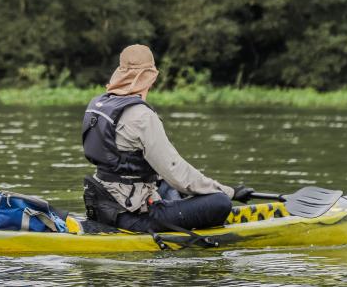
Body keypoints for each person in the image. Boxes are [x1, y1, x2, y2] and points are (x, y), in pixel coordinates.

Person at [81, 45, 253, 233]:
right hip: (133, 218)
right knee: (220, 202)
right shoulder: (142, 116)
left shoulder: (97, 105)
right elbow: (177, 173)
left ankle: (173, 207)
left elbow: (134, 165)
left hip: (102, 206)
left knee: (165, 182)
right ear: (149, 77)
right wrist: (229, 192)